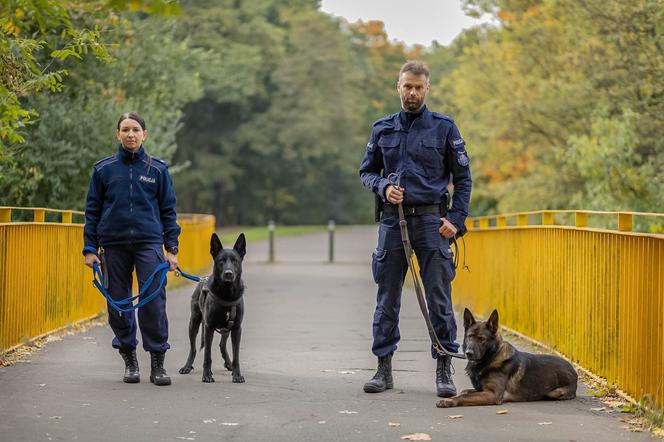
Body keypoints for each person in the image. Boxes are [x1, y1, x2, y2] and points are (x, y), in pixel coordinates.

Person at [358, 60, 472, 397]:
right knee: (387, 298)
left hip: (432, 223)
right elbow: (366, 171)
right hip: (393, 222)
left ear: (427, 88)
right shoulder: (382, 129)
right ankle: (383, 370)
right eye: (407, 86)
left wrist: (456, 220)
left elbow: (463, 179)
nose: (412, 92)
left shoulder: (444, 128)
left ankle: (444, 368)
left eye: (418, 87)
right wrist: (382, 187)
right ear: (398, 87)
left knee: (438, 298)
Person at [83, 112, 181, 386]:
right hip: (113, 245)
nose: (130, 134)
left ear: (144, 134)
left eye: (135, 129)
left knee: (152, 302)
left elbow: (168, 211)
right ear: (118, 134)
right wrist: (90, 249)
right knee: (119, 304)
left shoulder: (158, 170)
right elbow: (92, 211)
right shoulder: (103, 170)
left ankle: (158, 364)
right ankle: (130, 360)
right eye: (125, 129)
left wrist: (171, 250)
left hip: (149, 244)